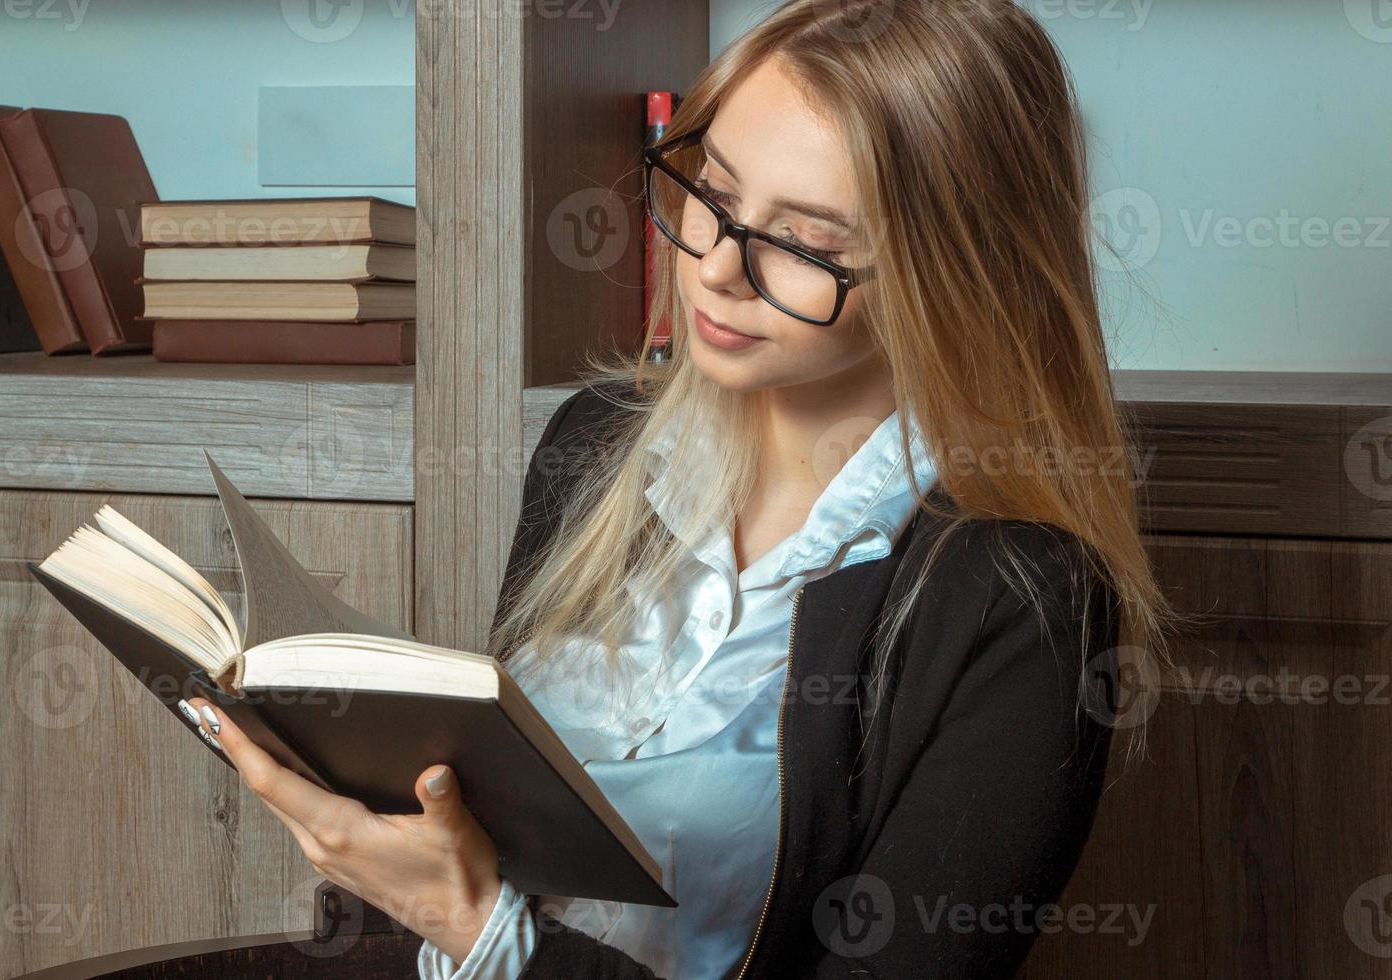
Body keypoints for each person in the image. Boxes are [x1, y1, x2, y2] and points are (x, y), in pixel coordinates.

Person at [190, 1, 1175, 975]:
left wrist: (483, 928)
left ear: (957, 272)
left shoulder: (1018, 600)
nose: (714, 265)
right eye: (714, 190)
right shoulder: (598, 444)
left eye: (804, 245)